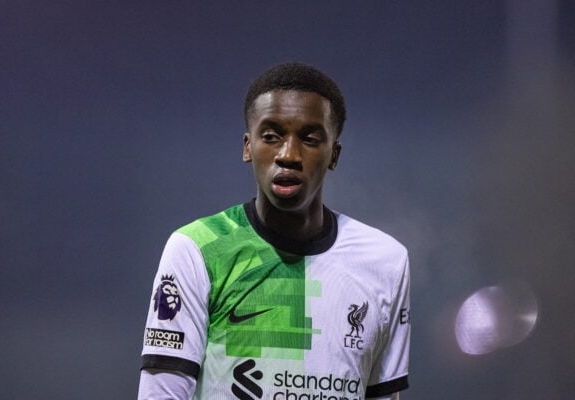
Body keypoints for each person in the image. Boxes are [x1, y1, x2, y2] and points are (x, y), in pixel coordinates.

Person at [138, 62, 410, 400]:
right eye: (271, 136)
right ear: (248, 146)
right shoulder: (197, 249)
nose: (288, 155)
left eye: (310, 139)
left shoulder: (386, 261)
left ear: (334, 154)